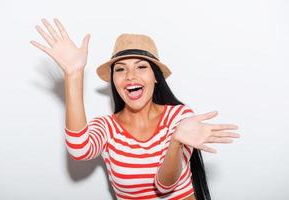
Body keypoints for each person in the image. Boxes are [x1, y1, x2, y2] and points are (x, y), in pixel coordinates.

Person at [30, 18, 241, 200]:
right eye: (121, 69)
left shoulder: (179, 118)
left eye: (141, 66)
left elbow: (164, 185)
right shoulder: (107, 126)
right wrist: (74, 74)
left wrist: (176, 142)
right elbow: (79, 150)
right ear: (114, 80)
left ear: (156, 78)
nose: (130, 75)